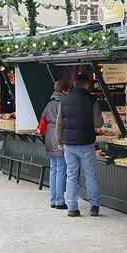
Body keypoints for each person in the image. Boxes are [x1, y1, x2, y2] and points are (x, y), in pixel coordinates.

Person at [56, 73, 103, 217]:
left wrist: (59, 142)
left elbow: (59, 124)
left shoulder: (64, 100)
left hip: (69, 143)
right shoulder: (92, 100)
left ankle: (72, 208)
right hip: (86, 143)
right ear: (87, 85)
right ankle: (94, 206)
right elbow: (98, 123)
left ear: (74, 84)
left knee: (71, 176)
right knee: (90, 176)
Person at [43, 80, 71, 209]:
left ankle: (53, 199)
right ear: (64, 90)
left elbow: (43, 118)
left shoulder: (49, 103)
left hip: (49, 135)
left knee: (53, 169)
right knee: (61, 169)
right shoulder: (64, 103)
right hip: (59, 135)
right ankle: (59, 200)